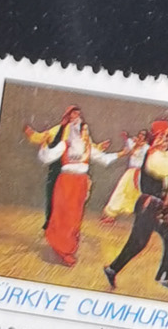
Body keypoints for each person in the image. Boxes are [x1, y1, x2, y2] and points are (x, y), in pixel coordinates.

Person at [102, 119, 168, 295]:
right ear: (156, 138)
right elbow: (167, 167)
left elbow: (165, 162)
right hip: (150, 207)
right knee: (140, 243)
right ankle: (114, 269)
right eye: (163, 137)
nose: (166, 140)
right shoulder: (154, 157)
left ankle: (163, 276)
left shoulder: (157, 154)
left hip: (158, 206)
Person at [26, 107, 117, 267]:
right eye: (74, 115)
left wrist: (121, 153)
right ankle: (63, 250)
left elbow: (101, 157)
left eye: (84, 128)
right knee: (63, 216)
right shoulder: (64, 141)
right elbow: (46, 155)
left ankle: (68, 248)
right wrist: (42, 142)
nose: (82, 130)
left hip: (80, 183)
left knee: (75, 218)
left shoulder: (86, 145)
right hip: (66, 182)